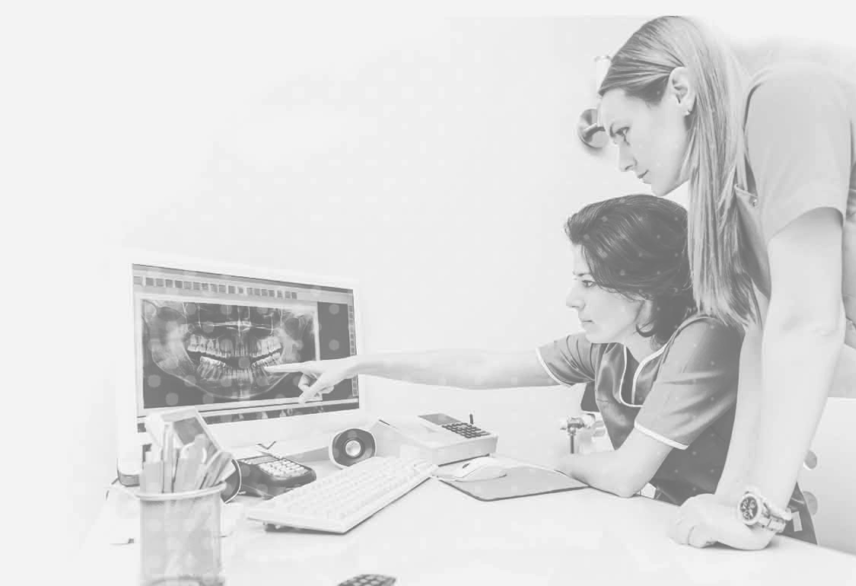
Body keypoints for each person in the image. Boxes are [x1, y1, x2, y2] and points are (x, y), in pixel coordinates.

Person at [596, 15, 856, 581]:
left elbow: (809, 323)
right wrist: (732, 503)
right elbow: (761, 346)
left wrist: (757, 515)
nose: (622, 160)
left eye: (622, 132)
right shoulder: (738, 204)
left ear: (679, 91)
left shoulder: (784, 98)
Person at [267, 195, 816, 542]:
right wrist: (360, 363)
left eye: (589, 283)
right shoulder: (606, 347)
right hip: (676, 528)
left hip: (754, 537)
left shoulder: (704, 336)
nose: (571, 299)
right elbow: (479, 367)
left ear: (645, 287)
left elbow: (626, 475)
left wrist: (564, 461)